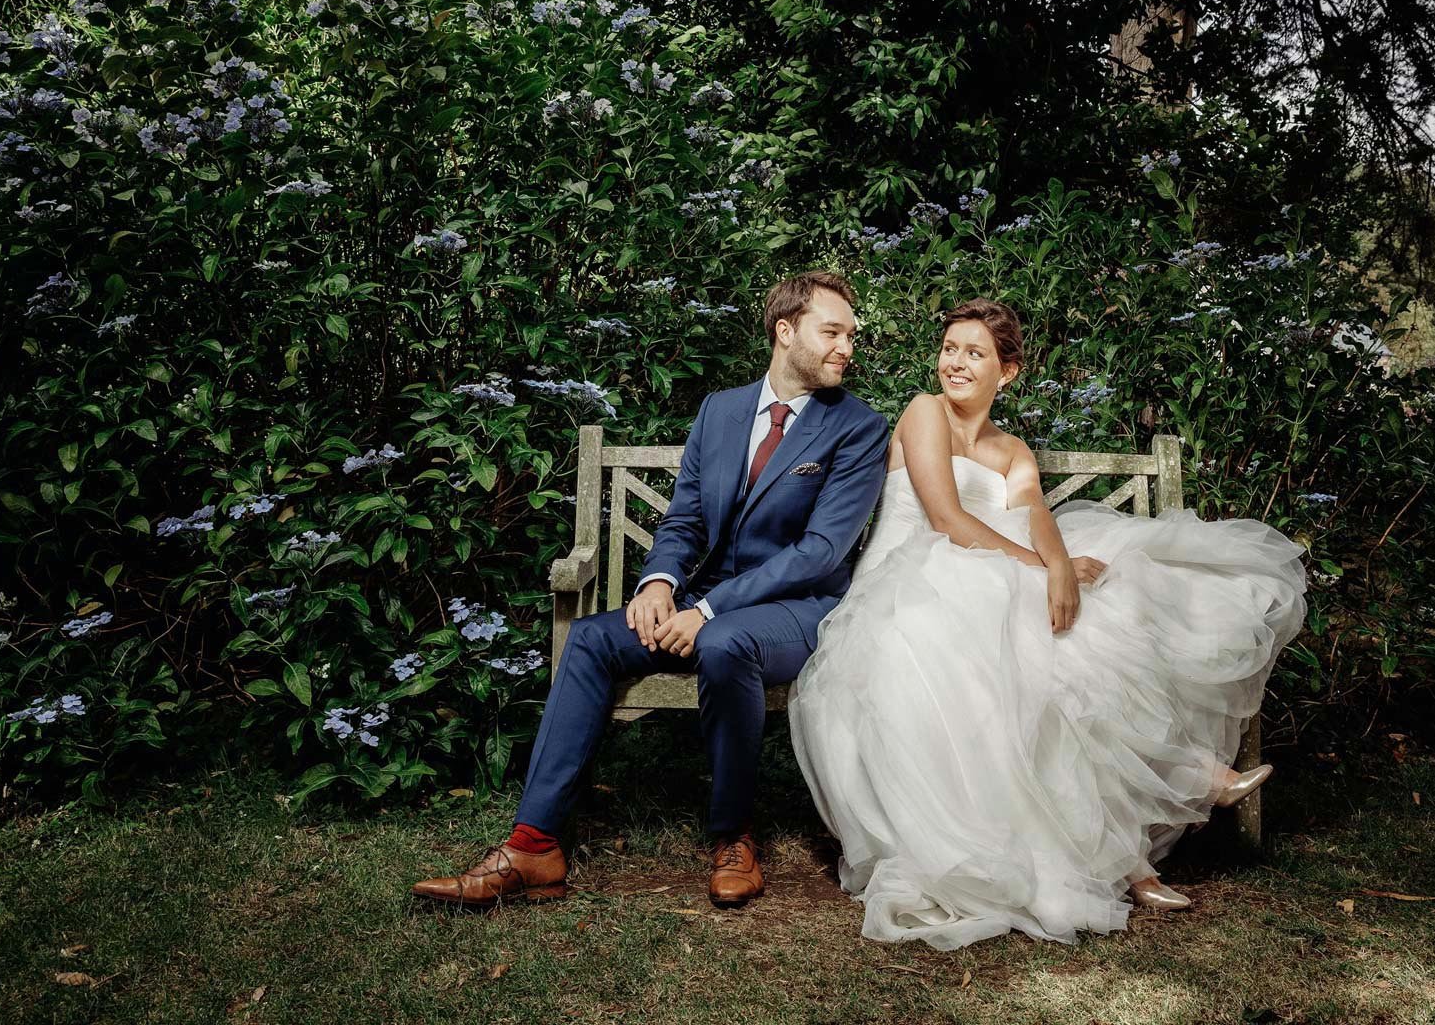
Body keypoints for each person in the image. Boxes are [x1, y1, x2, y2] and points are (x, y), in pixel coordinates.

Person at [789, 298, 1307, 949]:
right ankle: (1177, 800)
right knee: (1021, 638)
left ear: (1006, 372)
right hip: (910, 588)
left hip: (988, 577)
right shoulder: (924, 415)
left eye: (974, 353)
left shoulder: (1011, 449)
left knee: (1098, 615)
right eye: (951, 348)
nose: (956, 362)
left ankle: (1133, 854)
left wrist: (1057, 564)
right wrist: (1042, 570)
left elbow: (1036, 514)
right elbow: (947, 520)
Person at [411, 272, 889, 908]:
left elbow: (819, 553)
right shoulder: (720, 410)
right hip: (701, 604)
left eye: (850, 336)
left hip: (797, 612)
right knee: (588, 640)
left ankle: (733, 837)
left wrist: (708, 608)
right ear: (785, 331)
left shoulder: (858, 428)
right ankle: (534, 846)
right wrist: (660, 582)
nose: (846, 348)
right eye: (831, 332)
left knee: (724, 643)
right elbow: (685, 517)